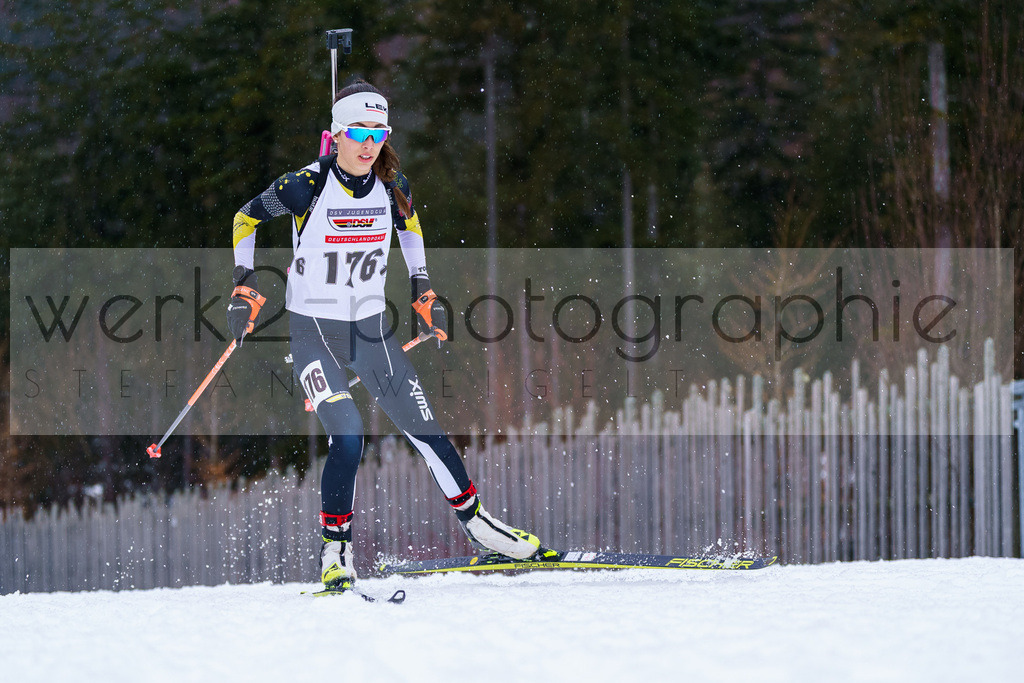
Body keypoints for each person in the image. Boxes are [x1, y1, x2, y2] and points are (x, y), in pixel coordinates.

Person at [226, 80, 547, 591]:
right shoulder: (304, 185)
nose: (369, 143)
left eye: (379, 132)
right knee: (349, 436)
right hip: (314, 334)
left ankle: (483, 531)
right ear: (337, 134)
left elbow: (411, 225)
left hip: (370, 331)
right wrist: (243, 287)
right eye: (358, 131)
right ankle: (336, 552)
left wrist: (422, 287)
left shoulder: (393, 183)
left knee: (427, 430)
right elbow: (244, 218)